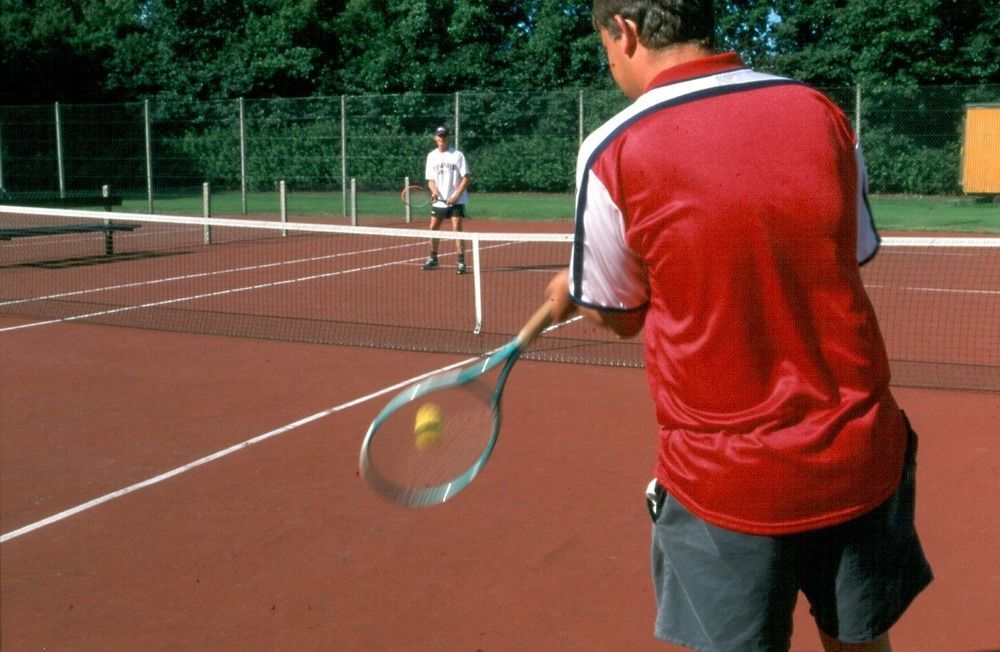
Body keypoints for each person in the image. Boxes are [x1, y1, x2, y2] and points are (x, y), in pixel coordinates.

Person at [542, 1, 933, 650]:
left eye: (604, 46)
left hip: (724, 482)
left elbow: (617, 316)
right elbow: (849, 251)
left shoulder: (612, 147)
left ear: (627, 31)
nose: (609, 62)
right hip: (860, 454)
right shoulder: (819, 110)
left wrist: (581, 292)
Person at [422, 125, 471, 274]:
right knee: (433, 229)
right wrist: (434, 192)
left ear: (447, 137)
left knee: (456, 229)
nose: (441, 138)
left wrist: (456, 195)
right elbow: (430, 180)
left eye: (444, 136)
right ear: (435, 138)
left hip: (457, 200)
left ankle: (461, 262)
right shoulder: (431, 156)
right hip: (439, 201)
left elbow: (466, 177)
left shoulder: (457, 155)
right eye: (439, 136)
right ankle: (433, 258)